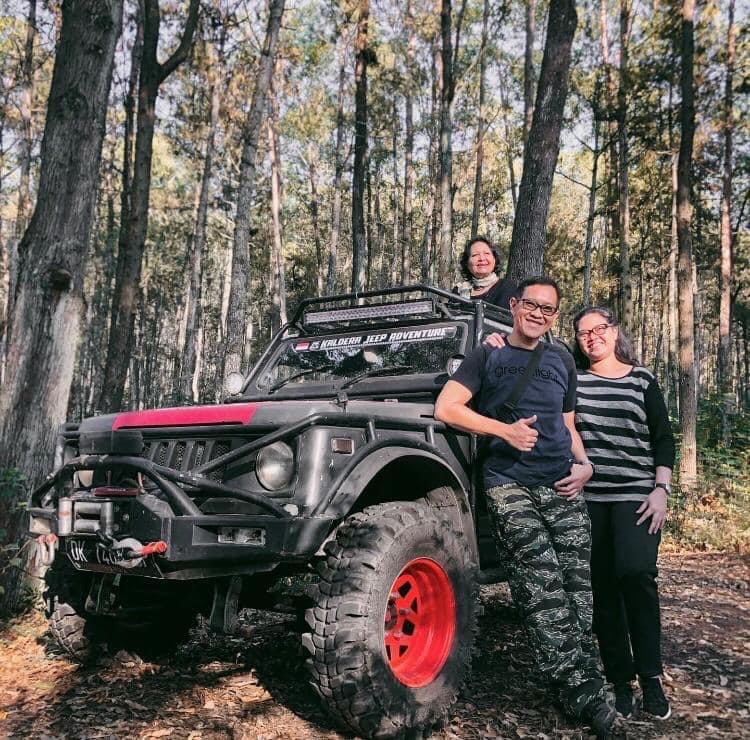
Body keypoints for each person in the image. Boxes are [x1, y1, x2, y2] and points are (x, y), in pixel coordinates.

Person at [435, 277, 616, 737]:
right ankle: (583, 692)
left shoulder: (561, 360)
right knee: (541, 589)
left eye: (548, 309)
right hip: (509, 484)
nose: (538, 314)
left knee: (578, 588)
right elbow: (447, 408)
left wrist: (586, 465)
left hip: (562, 483)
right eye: (531, 305)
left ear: (555, 315)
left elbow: (567, 423)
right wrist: (504, 432)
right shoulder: (487, 354)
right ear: (514, 306)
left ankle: (581, 675)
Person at [569, 306, 675, 721]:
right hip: (591, 499)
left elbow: (663, 438)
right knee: (603, 590)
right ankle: (619, 679)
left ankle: (650, 675)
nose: (592, 337)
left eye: (598, 329)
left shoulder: (641, 379)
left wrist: (661, 490)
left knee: (636, 576)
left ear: (614, 332)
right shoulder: (574, 381)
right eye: (583, 333)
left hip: (637, 497)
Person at [454, 235, 517, 309]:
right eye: (475, 255)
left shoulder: (506, 287)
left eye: (487, 253)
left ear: (494, 259)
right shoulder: (459, 290)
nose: (481, 258)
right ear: (467, 263)